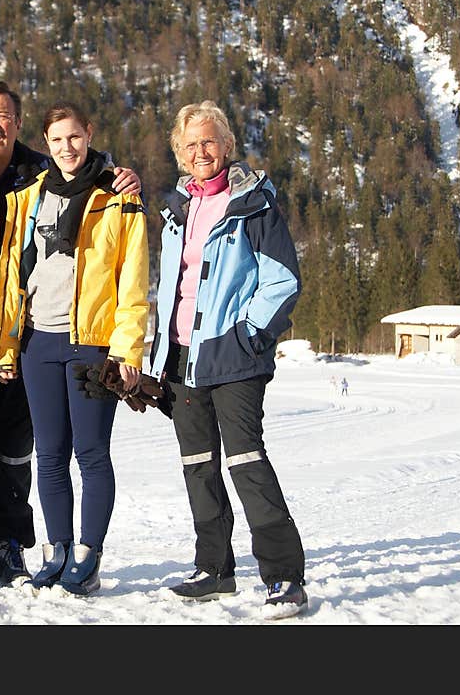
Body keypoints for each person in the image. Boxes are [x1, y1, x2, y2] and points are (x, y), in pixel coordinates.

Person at [0, 81, 142, 587]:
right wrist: (7, 343)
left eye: (75, 138)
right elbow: (13, 275)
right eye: (57, 140)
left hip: (92, 344)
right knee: (50, 454)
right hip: (37, 343)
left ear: (89, 136)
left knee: (91, 452)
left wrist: (127, 348)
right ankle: (56, 551)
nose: (66, 148)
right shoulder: (26, 197)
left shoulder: (117, 200)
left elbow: (134, 283)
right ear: (47, 144)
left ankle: (89, 554)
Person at [148, 100, 308, 618]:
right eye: (190, 144)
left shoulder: (254, 203)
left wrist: (248, 335)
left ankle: (284, 577)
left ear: (227, 146)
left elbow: (281, 280)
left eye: (209, 141)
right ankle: (213, 569)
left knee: (246, 463)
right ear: (179, 151)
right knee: (198, 466)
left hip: (234, 356)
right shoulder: (178, 209)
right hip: (181, 358)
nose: (201, 152)